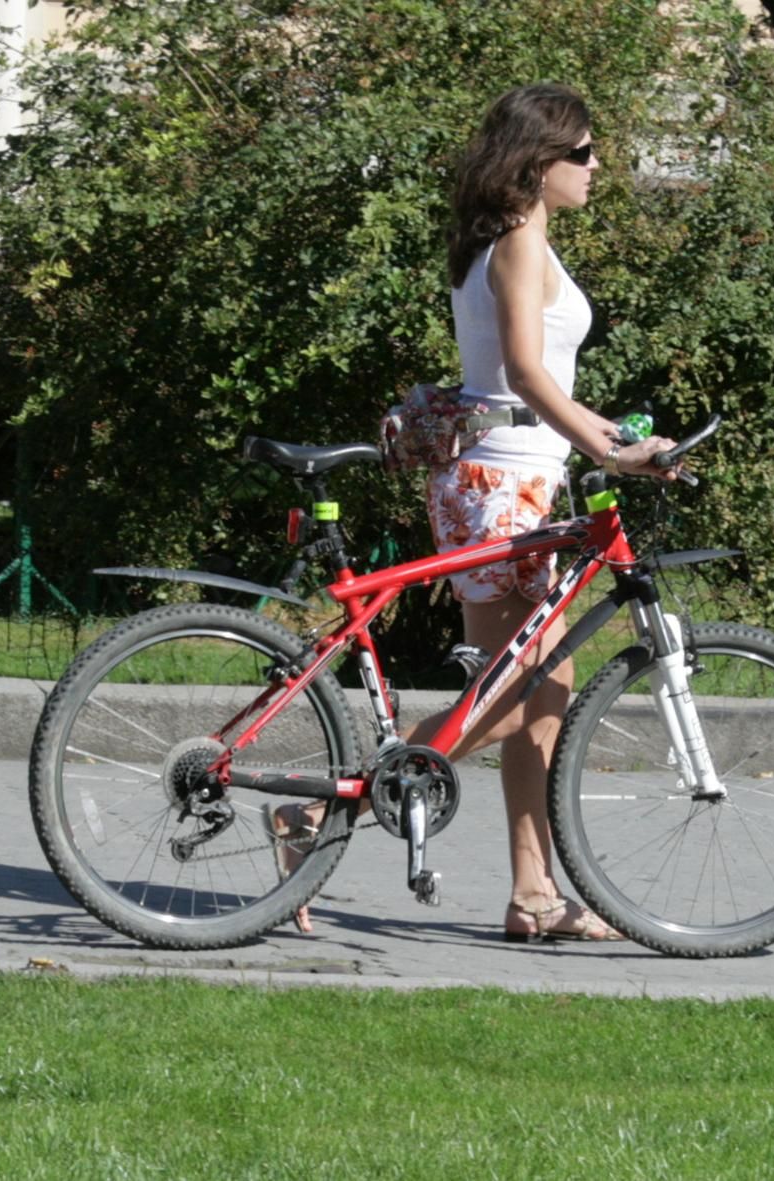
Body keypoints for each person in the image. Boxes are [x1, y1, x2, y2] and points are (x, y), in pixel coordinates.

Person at [270, 83, 678, 940]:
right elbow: (528, 376)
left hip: (498, 475)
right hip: (505, 487)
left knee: (540, 685)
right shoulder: (520, 241)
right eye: (583, 153)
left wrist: (621, 438)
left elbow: (521, 389)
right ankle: (319, 809)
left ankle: (533, 891)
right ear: (539, 162)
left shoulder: (496, 239)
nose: (597, 167)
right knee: (513, 689)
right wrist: (607, 450)